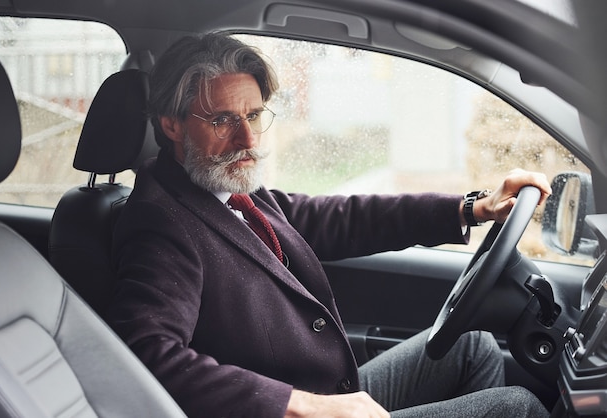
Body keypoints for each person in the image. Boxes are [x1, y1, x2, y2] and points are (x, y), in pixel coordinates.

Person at [107, 32, 553, 418]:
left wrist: (471, 207)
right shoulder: (159, 222)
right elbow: (146, 354)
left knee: (471, 345)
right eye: (223, 120)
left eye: (255, 115)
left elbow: (340, 218)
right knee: (518, 408)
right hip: (298, 411)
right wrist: (299, 405)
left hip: (330, 393)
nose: (247, 139)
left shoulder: (223, 186)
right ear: (172, 125)